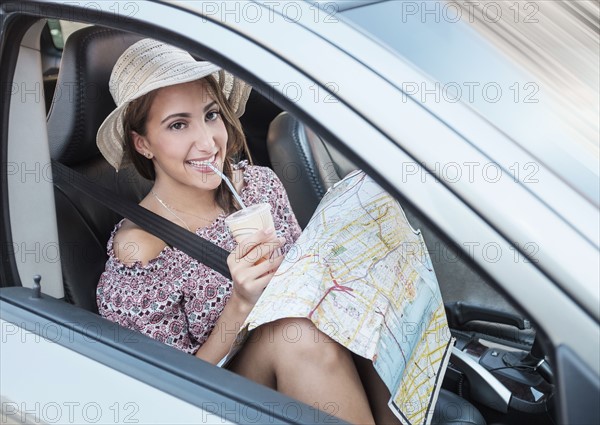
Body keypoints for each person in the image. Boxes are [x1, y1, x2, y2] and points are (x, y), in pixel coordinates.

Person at [95, 39, 378, 424]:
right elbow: (162, 391)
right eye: (178, 125)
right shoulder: (140, 253)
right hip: (218, 400)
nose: (208, 141)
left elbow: (309, 284)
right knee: (294, 336)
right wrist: (241, 302)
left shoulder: (260, 185)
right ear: (143, 144)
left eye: (211, 115)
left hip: (314, 368)